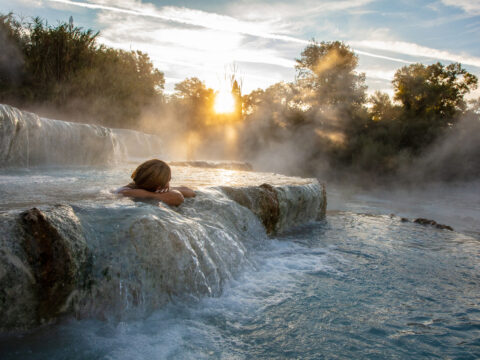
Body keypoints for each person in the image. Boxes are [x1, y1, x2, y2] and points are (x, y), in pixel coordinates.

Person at [116, 159, 195, 206]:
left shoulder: (138, 186)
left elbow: (190, 192)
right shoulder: (126, 191)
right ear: (159, 186)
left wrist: (166, 190)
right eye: (169, 180)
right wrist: (156, 195)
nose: (169, 183)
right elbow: (178, 198)